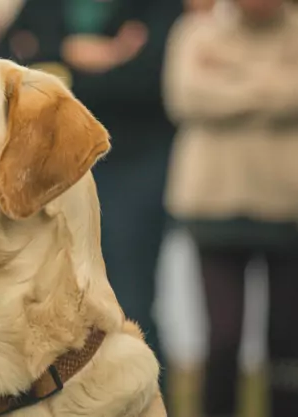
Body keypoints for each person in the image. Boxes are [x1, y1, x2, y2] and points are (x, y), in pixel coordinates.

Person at [0, 0, 183, 398]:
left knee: (131, 302)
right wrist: (86, 53)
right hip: (60, 176)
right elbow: (4, 67)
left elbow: (153, 82)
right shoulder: (43, 6)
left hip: (136, 169)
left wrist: (60, 63)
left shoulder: (160, 7)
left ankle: (146, 401)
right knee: (53, 306)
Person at [164, 0, 298, 415]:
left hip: (288, 207)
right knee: (222, 337)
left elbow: (211, 96)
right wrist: (274, 87)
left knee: (287, 339)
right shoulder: (196, 33)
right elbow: (186, 96)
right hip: (213, 205)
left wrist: (230, 82)